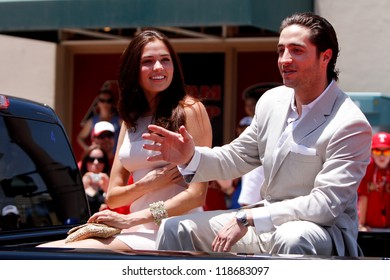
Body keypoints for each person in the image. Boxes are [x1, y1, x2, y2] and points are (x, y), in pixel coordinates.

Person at [142, 12, 372, 257]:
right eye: (281, 50)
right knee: (175, 228)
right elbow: (237, 156)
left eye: (296, 50)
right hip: (263, 221)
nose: (284, 59)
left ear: (325, 57)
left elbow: (325, 205)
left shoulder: (350, 123)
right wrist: (190, 157)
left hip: (320, 230)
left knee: (292, 237)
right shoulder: (272, 101)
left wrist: (249, 216)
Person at [38, 29, 212, 250]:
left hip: (177, 230)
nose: (158, 67)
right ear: (134, 69)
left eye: (165, 60)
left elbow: (197, 195)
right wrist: (148, 184)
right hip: (137, 230)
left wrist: (131, 219)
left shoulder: (191, 110)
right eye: (148, 61)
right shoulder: (130, 120)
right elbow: (114, 197)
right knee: (48, 251)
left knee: (58, 254)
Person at [358, 132, 390, 231]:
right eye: (377, 151)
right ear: (371, 152)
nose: (381, 156)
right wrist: (361, 224)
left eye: (386, 151)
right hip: (370, 228)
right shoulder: (367, 168)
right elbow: (363, 197)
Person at [77, 85, 121, 153]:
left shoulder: (119, 120)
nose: (105, 103)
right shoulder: (92, 121)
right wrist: (88, 149)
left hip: (115, 159)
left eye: (108, 101)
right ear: (98, 102)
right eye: (102, 100)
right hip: (97, 159)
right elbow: (80, 138)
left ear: (112, 103)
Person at [79, 145, 111, 214]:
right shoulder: (78, 182)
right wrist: (85, 187)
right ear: (85, 162)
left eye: (100, 160)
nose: (96, 162)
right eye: (91, 159)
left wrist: (107, 189)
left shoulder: (109, 182)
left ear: (105, 163)